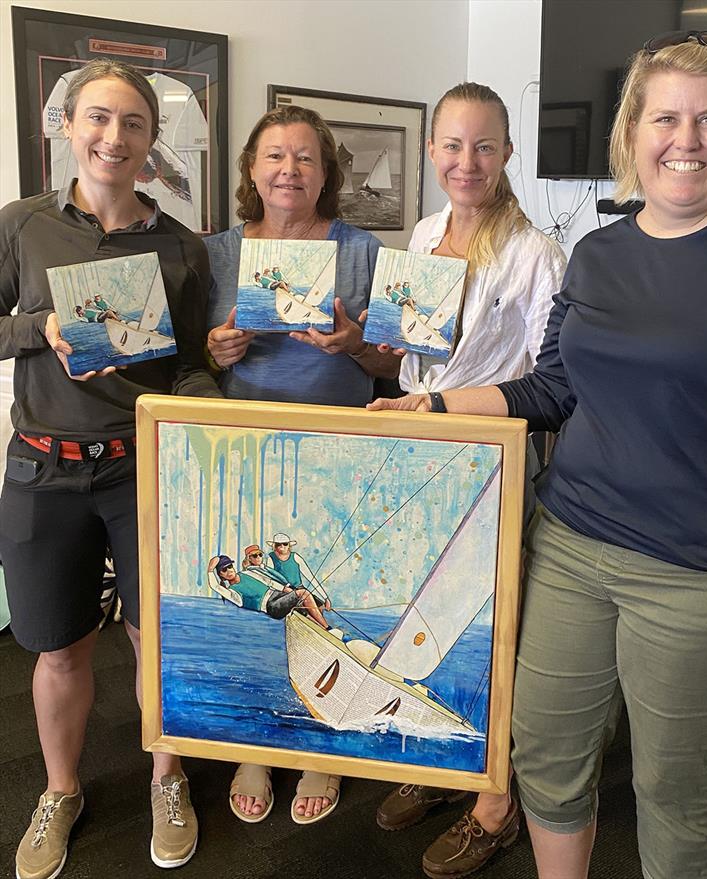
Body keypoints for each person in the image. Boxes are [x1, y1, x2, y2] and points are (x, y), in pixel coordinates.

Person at [369, 35, 707, 879]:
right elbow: (551, 389)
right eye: (665, 117)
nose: (685, 138)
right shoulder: (600, 253)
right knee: (549, 758)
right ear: (633, 132)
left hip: (704, 572)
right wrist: (436, 402)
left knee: (674, 787)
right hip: (571, 545)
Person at [0, 59, 221, 879]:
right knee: (57, 649)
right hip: (42, 471)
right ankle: (60, 790)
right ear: (67, 127)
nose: (113, 137)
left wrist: (208, 406)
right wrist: (43, 327)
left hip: (143, 469)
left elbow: (191, 364)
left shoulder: (181, 247)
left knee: (153, 640)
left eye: (132, 123)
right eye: (97, 119)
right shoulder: (21, 224)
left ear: (152, 141)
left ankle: (168, 777)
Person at [373, 82, 566, 879]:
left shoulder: (537, 253)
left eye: (484, 146)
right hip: (420, 453)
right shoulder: (421, 233)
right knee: (426, 623)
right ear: (431, 152)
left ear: (508, 154)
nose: (467, 161)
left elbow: (554, 384)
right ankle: (455, 765)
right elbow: (408, 351)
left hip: (493, 463)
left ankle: (498, 805)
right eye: (452, 145)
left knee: (491, 633)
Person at [204, 103, 399, 826]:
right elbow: (189, 350)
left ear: (327, 172)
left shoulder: (362, 250)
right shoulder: (216, 250)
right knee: (259, 591)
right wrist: (214, 349)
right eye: (276, 156)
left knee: (320, 590)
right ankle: (257, 741)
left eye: (307, 158)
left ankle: (321, 743)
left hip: (336, 449)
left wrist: (352, 343)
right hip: (243, 443)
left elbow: (390, 362)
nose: (291, 170)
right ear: (252, 170)